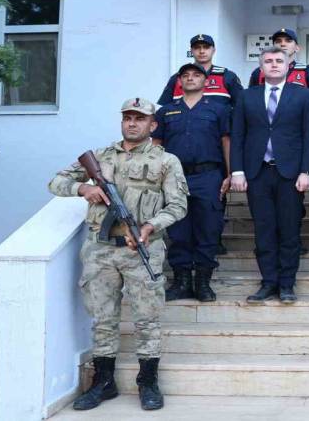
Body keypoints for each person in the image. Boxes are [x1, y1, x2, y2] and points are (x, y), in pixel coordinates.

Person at [48, 97, 187, 412]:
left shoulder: (167, 161)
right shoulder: (100, 156)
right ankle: (103, 382)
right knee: (103, 318)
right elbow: (56, 182)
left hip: (143, 248)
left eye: (140, 118)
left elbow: (178, 206)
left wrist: (150, 226)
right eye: (128, 118)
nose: (132, 123)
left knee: (147, 318)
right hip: (100, 250)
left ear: (153, 124)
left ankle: (147, 381)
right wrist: (84, 189)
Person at [231, 47, 309, 304]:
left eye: (279, 60)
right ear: (261, 67)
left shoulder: (303, 95)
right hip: (257, 172)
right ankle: (269, 282)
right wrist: (237, 170)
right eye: (268, 61)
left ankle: (287, 284)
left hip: (290, 173)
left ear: (289, 65)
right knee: (264, 229)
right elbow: (238, 135)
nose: (274, 64)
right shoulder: (247, 96)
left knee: (289, 229)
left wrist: (307, 171)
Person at [153, 63, 232, 303]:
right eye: (185, 75)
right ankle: (182, 282)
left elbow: (226, 141)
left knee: (208, 228)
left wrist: (230, 174)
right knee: (178, 230)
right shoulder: (166, 111)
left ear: (205, 81)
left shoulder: (219, 109)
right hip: (174, 178)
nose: (190, 78)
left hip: (208, 175)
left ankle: (203, 283)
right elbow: (156, 145)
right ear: (179, 81)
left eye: (196, 75)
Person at [157, 33, 243, 108]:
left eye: (206, 47)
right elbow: (164, 109)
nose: (201, 51)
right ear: (191, 51)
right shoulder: (178, 78)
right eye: (197, 48)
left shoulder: (227, 76)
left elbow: (241, 107)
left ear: (213, 50)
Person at [248, 28, 309, 99]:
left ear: (297, 48)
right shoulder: (259, 72)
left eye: (288, 41)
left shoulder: (308, 72)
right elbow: (251, 98)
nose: (283, 44)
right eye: (278, 41)